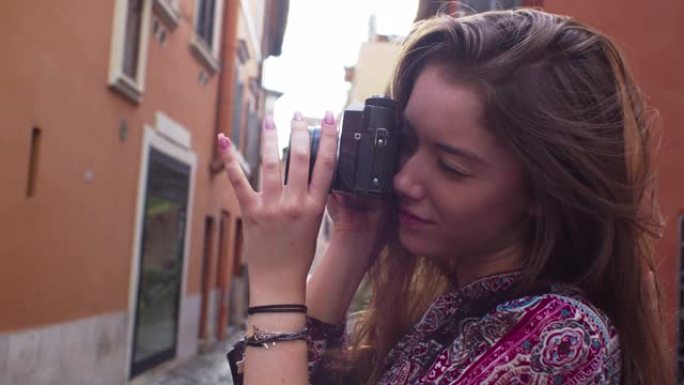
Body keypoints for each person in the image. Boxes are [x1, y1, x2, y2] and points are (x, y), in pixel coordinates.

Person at [216, 8, 669, 385]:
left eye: (451, 166)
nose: (404, 181)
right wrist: (352, 241)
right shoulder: (458, 310)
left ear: (543, 191)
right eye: (407, 144)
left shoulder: (557, 337)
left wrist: (277, 283)